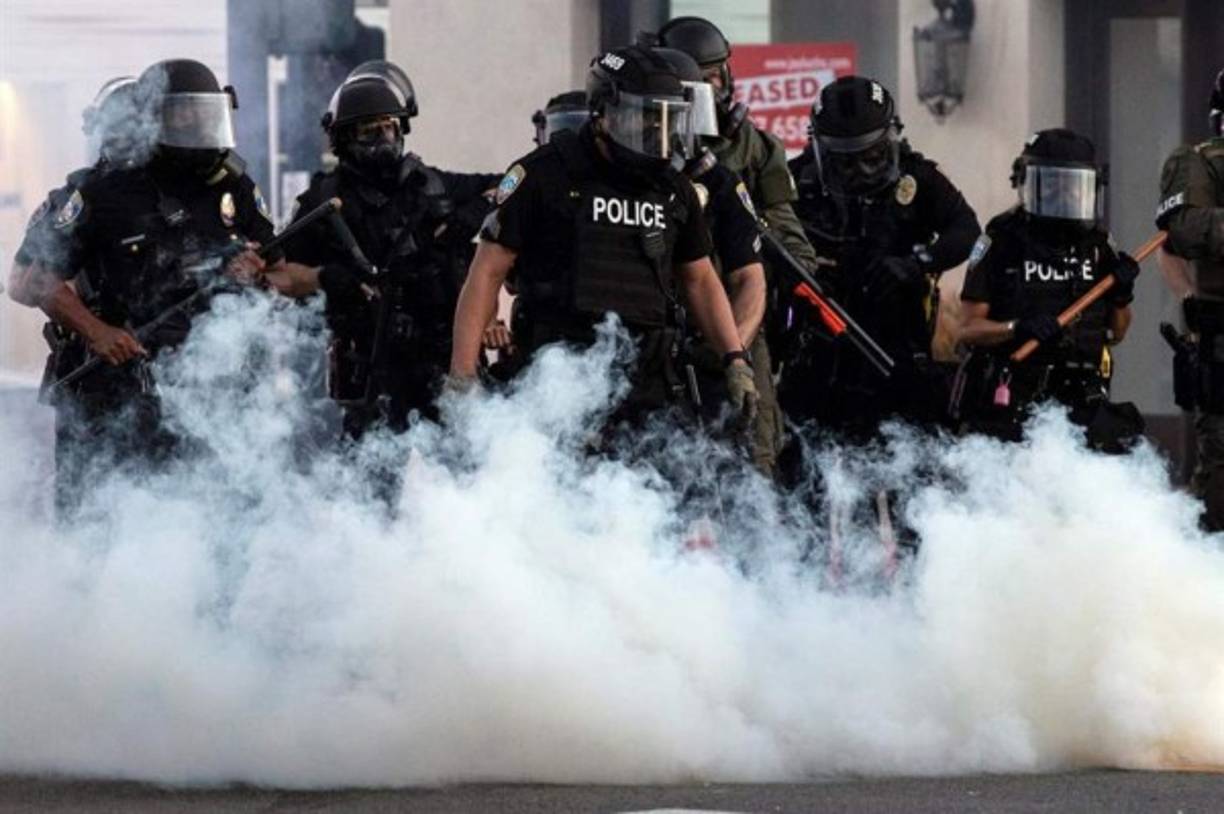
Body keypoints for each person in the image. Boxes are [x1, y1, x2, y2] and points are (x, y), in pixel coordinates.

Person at [7, 59, 277, 518]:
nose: (195, 127)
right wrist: (97, 331)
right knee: (99, 519)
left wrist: (256, 273)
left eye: (201, 114)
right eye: (183, 115)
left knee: (210, 518)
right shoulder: (97, 194)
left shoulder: (227, 189)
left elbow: (278, 269)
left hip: (203, 389)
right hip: (112, 388)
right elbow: (27, 282)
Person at [449, 44, 756, 435]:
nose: (657, 132)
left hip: (647, 387)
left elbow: (700, 279)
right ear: (603, 113)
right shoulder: (543, 174)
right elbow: (487, 271)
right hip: (552, 380)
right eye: (645, 117)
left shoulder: (674, 189)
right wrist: (462, 376)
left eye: (666, 119)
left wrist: (735, 360)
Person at [269, 60, 499, 436]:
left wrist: (473, 214)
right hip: (371, 368)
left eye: (389, 127)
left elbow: (514, 184)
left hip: (443, 360)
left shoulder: (432, 186)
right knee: (369, 473)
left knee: (470, 469)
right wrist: (325, 277)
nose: (382, 140)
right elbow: (278, 275)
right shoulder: (323, 202)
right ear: (344, 139)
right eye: (368, 131)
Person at [780, 75, 980, 441]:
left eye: (871, 157)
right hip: (817, 342)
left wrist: (916, 263)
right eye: (845, 162)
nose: (860, 171)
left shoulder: (918, 177)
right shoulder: (794, 182)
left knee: (908, 448)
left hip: (897, 342)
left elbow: (965, 229)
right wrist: (801, 274)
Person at [654, 15, 812, 473]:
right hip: (662, 315)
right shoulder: (647, 143)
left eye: (717, 75)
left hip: (738, 308)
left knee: (754, 450)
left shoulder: (756, 148)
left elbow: (790, 238)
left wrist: (762, 252)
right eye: (700, 81)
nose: (713, 88)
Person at [959, 128, 1140, 450]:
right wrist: (1016, 329)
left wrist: (1122, 295)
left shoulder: (1098, 245)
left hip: (1081, 399)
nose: (1065, 193)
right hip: (1014, 400)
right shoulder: (1001, 241)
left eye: (1075, 184)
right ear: (1026, 182)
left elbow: (1118, 332)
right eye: (1053, 182)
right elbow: (967, 330)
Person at [1156, 69, 1224, 527]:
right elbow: (1177, 234)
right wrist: (1187, 296)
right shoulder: (1201, 161)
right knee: (1218, 477)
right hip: (1220, 333)